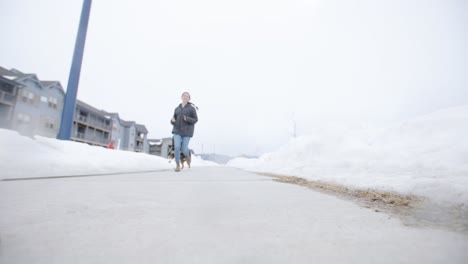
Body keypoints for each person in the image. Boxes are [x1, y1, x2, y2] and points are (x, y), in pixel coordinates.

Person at [170, 92, 198, 172]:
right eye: (184, 96)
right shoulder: (177, 108)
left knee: (183, 148)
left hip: (187, 132)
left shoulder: (192, 109)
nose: (185, 97)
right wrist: (172, 121)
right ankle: (178, 165)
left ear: (189, 99)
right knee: (177, 147)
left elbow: (195, 119)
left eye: (187, 96)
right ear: (181, 97)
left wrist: (187, 119)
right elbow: (173, 119)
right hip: (177, 131)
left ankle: (187, 155)